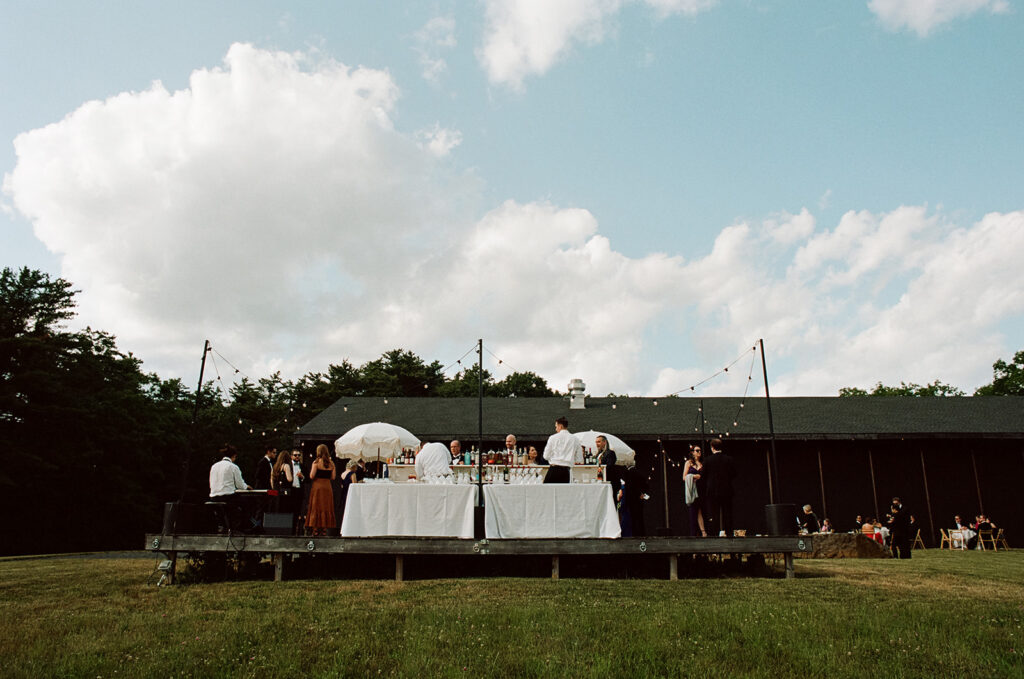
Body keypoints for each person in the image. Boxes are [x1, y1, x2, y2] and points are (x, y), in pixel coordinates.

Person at [208, 444, 251, 531]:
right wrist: (247, 487)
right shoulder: (233, 467)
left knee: (231, 505)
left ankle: (223, 526)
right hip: (227, 497)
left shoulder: (214, 466)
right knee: (247, 503)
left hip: (213, 497)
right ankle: (242, 527)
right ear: (234, 456)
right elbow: (240, 485)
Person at [700, 438, 736, 537]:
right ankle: (729, 535)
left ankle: (714, 536)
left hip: (712, 491)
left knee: (714, 515)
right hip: (727, 490)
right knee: (727, 514)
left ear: (712, 448)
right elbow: (734, 473)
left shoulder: (708, 460)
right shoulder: (729, 459)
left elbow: (703, 476)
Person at [304, 444, 336, 536]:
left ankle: (316, 528)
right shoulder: (331, 463)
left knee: (316, 506)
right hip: (327, 486)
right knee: (326, 507)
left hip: (318, 486)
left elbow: (311, 476)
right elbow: (333, 477)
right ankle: (324, 529)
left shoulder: (316, 462)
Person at [542, 417, 580, 483]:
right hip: (566, 472)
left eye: (556, 427)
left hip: (553, 470)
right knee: (564, 492)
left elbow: (545, 456)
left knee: (547, 492)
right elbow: (579, 459)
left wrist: (553, 458)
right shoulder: (575, 439)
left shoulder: (552, 438)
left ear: (560, 426)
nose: (556, 429)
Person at [683, 446, 707, 537]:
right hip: (693, 490)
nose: (699, 452)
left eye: (700, 450)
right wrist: (693, 476)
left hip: (701, 489)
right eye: (697, 450)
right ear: (692, 452)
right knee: (693, 511)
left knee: (701, 511)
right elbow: (684, 477)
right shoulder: (688, 463)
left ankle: (703, 532)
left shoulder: (702, 463)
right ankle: (694, 534)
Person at [596, 435, 624, 508]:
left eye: (599, 442)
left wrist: (600, 464)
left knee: (611, 502)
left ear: (604, 442)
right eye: (596, 442)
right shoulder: (598, 454)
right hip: (600, 480)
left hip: (611, 481)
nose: (597, 444)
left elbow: (610, 465)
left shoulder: (610, 453)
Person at [336, 459, 360, 535]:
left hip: (343, 493)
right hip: (349, 493)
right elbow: (354, 485)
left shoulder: (343, 473)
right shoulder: (352, 474)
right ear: (353, 467)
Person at [271, 450, 294, 515]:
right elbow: (289, 479)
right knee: (284, 510)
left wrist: (274, 488)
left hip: (275, 490)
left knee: (276, 508)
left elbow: (271, 479)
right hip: (284, 492)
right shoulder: (286, 466)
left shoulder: (275, 466)